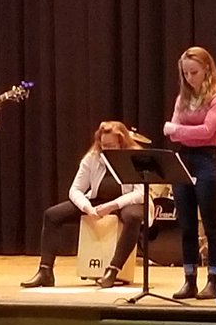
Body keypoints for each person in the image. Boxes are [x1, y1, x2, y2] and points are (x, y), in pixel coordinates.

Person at [21, 120, 148, 289]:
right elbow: (75, 190)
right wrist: (87, 208)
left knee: (133, 217)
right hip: (98, 201)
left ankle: (113, 270)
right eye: (104, 146)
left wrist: (112, 206)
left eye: (111, 146)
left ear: (121, 142)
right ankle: (45, 272)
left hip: (127, 201)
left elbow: (140, 193)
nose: (107, 150)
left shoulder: (135, 157)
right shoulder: (93, 157)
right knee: (52, 215)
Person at [164, 46, 216, 300]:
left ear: (207, 70)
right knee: (187, 225)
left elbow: (206, 131)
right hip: (184, 159)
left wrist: (176, 130)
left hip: (206, 160)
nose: (190, 77)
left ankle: (215, 282)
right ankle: (189, 279)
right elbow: (174, 128)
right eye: (186, 73)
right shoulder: (182, 98)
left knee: (212, 225)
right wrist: (177, 130)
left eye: (194, 72)